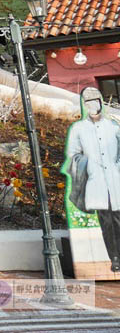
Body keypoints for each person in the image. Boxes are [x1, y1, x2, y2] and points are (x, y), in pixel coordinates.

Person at [65, 87, 120, 272]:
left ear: (100, 102)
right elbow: (73, 154)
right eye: (87, 102)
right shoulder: (78, 129)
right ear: (84, 105)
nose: (92, 105)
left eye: (95, 100)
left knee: (119, 219)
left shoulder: (113, 126)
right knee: (106, 222)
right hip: (96, 181)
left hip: (116, 179)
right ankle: (115, 258)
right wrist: (87, 163)